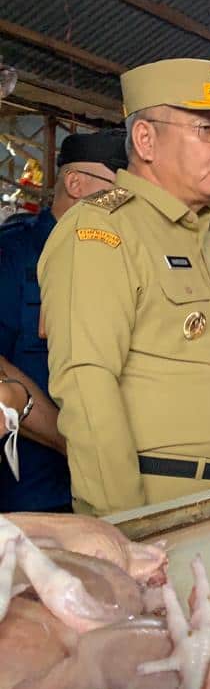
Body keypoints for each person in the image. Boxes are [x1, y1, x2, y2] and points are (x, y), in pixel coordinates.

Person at [38, 58, 210, 516]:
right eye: (206, 129)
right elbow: (86, 382)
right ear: (145, 139)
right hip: (161, 502)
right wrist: (126, 525)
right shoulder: (102, 230)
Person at [0, 130, 127, 512]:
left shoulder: (120, 260)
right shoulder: (13, 253)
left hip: (114, 488)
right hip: (32, 494)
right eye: (119, 191)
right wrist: (76, 443)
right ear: (74, 183)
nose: (127, 203)